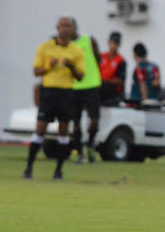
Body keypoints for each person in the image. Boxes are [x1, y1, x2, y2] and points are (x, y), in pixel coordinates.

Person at [24, 16, 84, 180]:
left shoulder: (76, 51)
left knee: (63, 131)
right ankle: (28, 168)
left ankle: (58, 170)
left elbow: (80, 76)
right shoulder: (45, 48)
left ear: (73, 29)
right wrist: (49, 66)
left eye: (68, 26)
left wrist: (71, 66)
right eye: (62, 25)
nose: (65, 29)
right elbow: (36, 71)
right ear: (57, 27)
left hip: (66, 93)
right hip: (49, 92)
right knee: (40, 129)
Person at [71, 20, 102, 163]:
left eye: (69, 27)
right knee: (76, 122)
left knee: (94, 120)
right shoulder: (65, 46)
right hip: (74, 86)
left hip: (91, 85)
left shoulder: (88, 40)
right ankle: (79, 152)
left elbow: (98, 58)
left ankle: (90, 146)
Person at [99, 31, 127, 105]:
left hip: (112, 92)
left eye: (117, 43)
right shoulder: (101, 57)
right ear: (109, 42)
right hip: (99, 89)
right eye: (113, 42)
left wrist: (106, 81)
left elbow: (120, 81)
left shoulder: (121, 61)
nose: (114, 45)